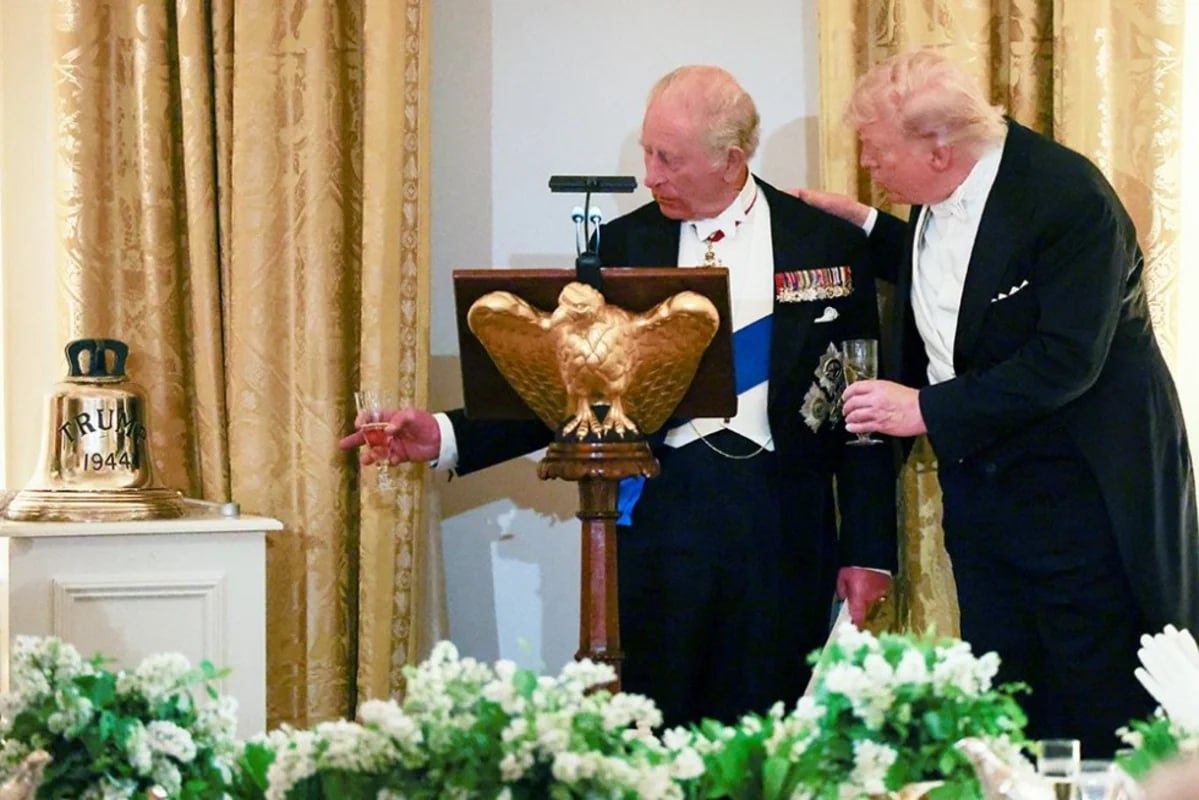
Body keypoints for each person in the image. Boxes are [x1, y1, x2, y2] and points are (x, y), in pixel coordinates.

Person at [341, 65, 897, 729]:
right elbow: (569, 385)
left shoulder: (825, 242)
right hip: (659, 516)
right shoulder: (626, 244)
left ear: (731, 160)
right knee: (650, 725)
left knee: (767, 733)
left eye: (668, 158)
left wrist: (869, 550)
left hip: (782, 525)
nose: (650, 176)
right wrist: (445, 433)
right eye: (646, 152)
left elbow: (863, 410)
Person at [798, 49, 1199, 756]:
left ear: (939, 151)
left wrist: (924, 410)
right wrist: (870, 228)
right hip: (986, 495)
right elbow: (973, 281)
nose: (867, 165)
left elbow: (1065, 359)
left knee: (1091, 703)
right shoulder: (941, 190)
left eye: (877, 152)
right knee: (1005, 701)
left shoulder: (1069, 197)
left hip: (1084, 500)